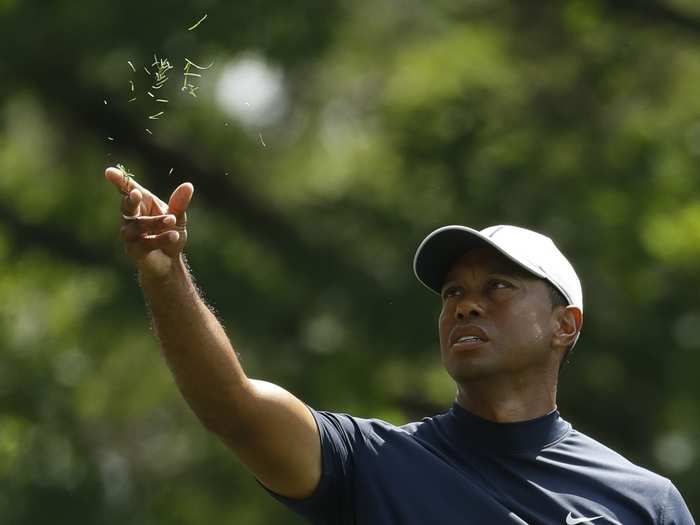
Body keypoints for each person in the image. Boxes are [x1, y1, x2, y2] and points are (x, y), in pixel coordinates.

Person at [105, 166, 695, 525]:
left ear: (564, 325)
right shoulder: (373, 464)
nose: (465, 304)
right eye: (452, 292)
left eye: (498, 287)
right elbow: (233, 406)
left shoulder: (644, 503)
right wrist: (165, 275)